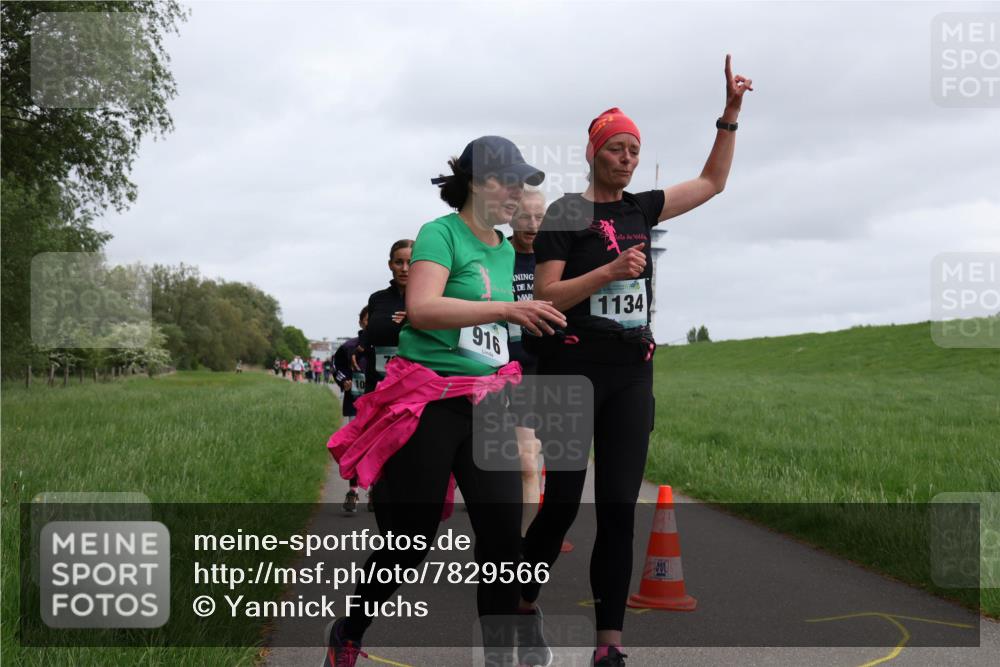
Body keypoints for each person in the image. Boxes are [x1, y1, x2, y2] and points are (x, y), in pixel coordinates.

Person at [520, 56, 752, 667]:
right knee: (564, 503)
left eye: (634, 149)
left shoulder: (641, 209)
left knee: (620, 507)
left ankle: (609, 646)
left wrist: (729, 116)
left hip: (630, 371)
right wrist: (607, 272)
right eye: (616, 148)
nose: (625, 158)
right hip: (572, 369)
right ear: (594, 152)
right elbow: (546, 297)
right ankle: (519, 595)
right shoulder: (566, 214)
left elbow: (711, 184)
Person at [325, 136, 565, 667]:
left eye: (523, 184)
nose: (516, 193)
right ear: (476, 183)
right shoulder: (440, 234)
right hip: (429, 402)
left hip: (487, 405)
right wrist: (504, 310)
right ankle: (349, 629)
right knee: (408, 545)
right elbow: (425, 308)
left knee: (504, 543)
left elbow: (502, 323)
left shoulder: (506, 250)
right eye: (507, 181)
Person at [352, 238, 413, 515]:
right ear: (390, 264)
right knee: (385, 449)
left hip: (415, 387)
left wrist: (409, 321)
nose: (404, 268)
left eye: (410, 262)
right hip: (381, 387)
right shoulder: (379, 299)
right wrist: (408, 324)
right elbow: (376, 332)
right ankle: (381, 492)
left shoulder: (429, 294)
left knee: (412, 449)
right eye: (399, 262)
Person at [508, 188, 545, 538]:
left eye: (540, 217)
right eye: (524, 217)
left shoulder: (555, 258)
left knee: (527, 462)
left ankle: (524, 547)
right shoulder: (497, 253)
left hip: (539, 370)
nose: (533, 225)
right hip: (495, 370)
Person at [333, 306, 369, 513]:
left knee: (378, 448)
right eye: (366, 319)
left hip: (381, 407)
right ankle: (353, 491)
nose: (370, 322)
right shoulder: (349, 347)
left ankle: (375, 491)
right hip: (356, 405)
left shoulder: (387, 347)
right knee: (355, 448)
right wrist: (344, 380)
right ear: (360, 322)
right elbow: (336, 367)